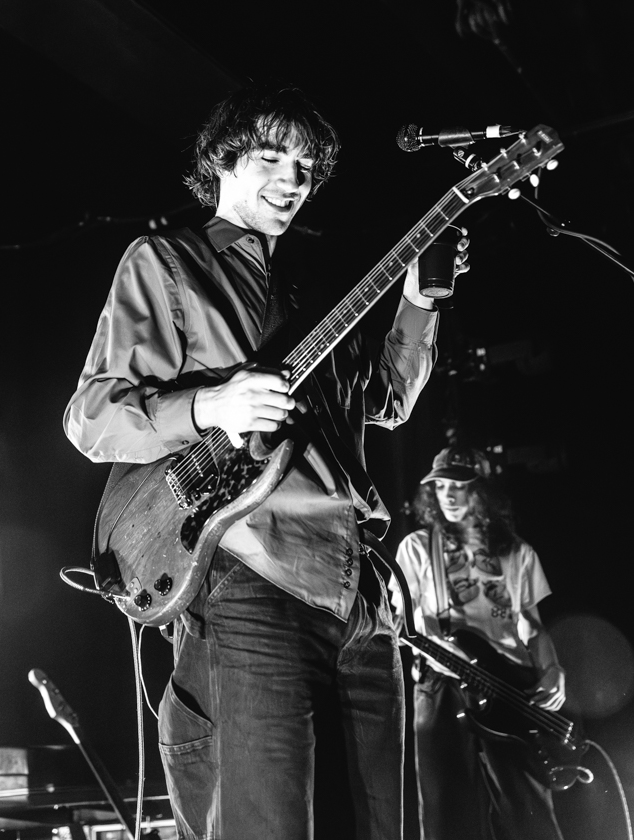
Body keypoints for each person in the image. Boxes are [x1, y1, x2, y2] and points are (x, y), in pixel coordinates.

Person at [64, 80, 468, 840]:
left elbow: (384, 400)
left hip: (359, 596)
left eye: (307, 168)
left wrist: (419, 302)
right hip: (250, 576)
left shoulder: (320, 295)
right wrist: (209, 406)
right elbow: (92, 417)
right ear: (222, 162)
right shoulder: (169, 263)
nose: (293, 180)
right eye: (271, 158)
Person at [391, 446, 566, 840]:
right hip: (442, 685)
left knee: (530, 815)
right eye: (440, 487)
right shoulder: (417, 547)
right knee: (447, 816)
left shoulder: (517, 551)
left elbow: (532, 625)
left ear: (482, 491)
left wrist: (553, 669)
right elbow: (400, 619)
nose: (448, 496)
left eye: (459, 486)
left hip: (510, 688)